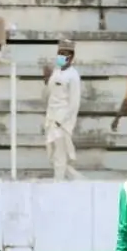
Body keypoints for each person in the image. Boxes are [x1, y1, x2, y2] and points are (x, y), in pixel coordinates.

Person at [42, 39, 82, 180]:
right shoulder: (56, 72)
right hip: (51, 117)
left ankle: (58, 183)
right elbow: (49, 95)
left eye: (64, 53)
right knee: (52, 154)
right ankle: (77, 181)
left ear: (71, 56)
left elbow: (74, 103)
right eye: (59, 53)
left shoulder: (73, 75)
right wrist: (46, 79)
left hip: (62, 121)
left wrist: (62, 121)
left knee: (60, 155)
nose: (61, 56)